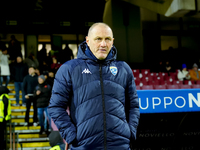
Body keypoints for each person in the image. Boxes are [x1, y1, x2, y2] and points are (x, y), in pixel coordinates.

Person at [48, 22, 140, 150]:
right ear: (88, 41)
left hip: (120, 145)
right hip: (84, 146)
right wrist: (72, 136)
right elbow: (56, 107)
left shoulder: (123, 69)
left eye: (107, 39)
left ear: (112, 41)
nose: (103, 44)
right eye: (98, 39)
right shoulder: (69, 69)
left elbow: (133, 106)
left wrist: (130, 132)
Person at [0, 86, 11, 150]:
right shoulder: (6, 97)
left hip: (1, 119)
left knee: (1, 136)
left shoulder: (3, 97)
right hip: (3, 119)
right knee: (2, 135)